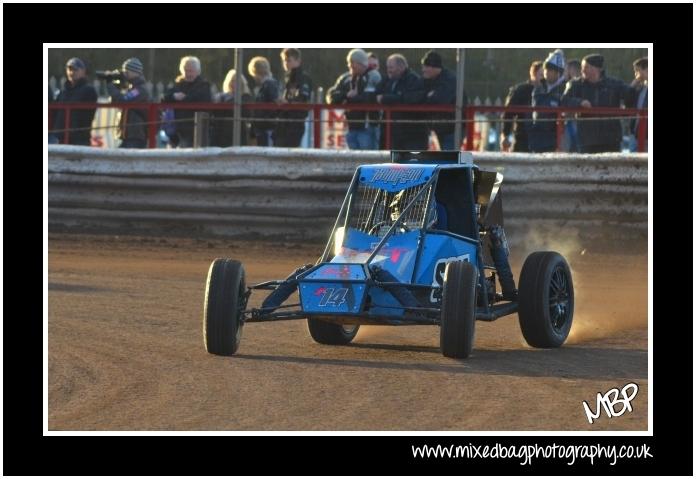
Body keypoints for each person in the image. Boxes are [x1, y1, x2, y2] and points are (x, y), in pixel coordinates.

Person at [561, 53, 634, 153]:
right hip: (587, 139)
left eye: (586, 67)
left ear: (596, 69)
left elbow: (631, 96)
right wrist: (579, 102)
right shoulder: (575, 85)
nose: (582, 70)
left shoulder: (614, 84)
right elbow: (564, 101)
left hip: (611, 139)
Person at [327, 49, 382, 150]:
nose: (350, 65)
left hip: (368, 127)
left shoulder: (373, 76)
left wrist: (347, 99)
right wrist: (347, 95)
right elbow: (331, 96)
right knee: (353, 161)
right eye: (349, 62)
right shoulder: (345, 77)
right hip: (350, 127)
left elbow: (370, 99)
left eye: (352, 62)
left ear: (361, 63)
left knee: (368, 160)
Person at [376, 53, 428, 150]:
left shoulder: (414, 80)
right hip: (391, 133)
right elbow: (376, 93)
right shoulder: (388, 80)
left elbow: (411, 99)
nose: (388, 70)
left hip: (410, 135)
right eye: (388, 67)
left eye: (391, 67)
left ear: (401, 67)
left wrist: (387, 98)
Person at [163, 56, 212, 147]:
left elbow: (201, 99)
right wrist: (174, 96)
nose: (188, 73)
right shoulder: (178, 84)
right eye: (186, 70)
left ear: (198, 71)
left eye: (191, 71)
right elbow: (164, 98)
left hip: (195, 131)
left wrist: (184, 98)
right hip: (176, 131)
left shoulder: (204, 85)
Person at [50, 57, 98, 145]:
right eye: (69, 69)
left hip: (79, 138)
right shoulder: (63, 91)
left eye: (75, 69)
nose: (71, 72)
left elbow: (87, 115)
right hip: (60, 137)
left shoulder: (88, 90)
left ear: (83, 71)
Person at [106, 57, 151, 149]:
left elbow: (123, 101)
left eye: (126, 71)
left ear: (135, 72)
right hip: (129, 135)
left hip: (136, 136)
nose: (124, 74)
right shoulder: (131, 88)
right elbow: (115, 102)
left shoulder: (140, 90)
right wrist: (116, 86)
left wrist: (110, 85)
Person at [421, 50, 461, 150]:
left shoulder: (449, 80)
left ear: (432, 67)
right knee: (446, 155)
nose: (423, 70)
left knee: (449, 156)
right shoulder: (434, 79)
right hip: (443, 126)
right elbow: (423, 96)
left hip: (452, 127)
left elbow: (440, 99)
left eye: (425, 67)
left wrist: (430, 96)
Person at [528, 49, 566, 152]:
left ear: (558, 73)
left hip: (555, 141)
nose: (546, 73)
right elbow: (538, 110)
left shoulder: (565, 90)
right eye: (546, 69)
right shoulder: (539, 89)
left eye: (550, 70)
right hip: (538, 140)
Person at [500, 60, 542, 152]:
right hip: (522, 136)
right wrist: (505, 135)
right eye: (541, 75)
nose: (543, 79)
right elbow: (508, 113)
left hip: (541, 138)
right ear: (534, 73)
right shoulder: (521, 90)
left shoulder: (546, 91)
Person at [276, 48, 313, 147]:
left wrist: (288, 102)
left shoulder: (304, 78)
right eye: (284, 60)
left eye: (288, 60)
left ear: (298, 61)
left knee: (290, 154)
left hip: (295, 122)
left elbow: (303, 98)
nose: (285, 63)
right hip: (283, 122)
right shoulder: (286, 78)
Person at [211, 69, 252, 147]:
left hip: (238, 132)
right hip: (220, 132)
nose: (234, 84)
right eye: (232, 81)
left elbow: (247, 113)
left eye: (237, 81)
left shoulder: (245, 97)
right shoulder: (221, 96)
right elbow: (216, 111)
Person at [248, 56, 280, 146]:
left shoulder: (269, 84)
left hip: (267, 127)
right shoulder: (266, 85)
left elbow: (275, 102)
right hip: (263, 127)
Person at [629, 57, 648, 147]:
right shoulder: (639, 88)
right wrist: (632, 86)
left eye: (637, 71)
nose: (636, 74)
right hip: (635, 132)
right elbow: (627, 101)